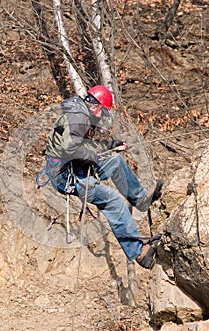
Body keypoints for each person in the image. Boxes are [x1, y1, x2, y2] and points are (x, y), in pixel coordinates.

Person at [45, 85, 163, 269]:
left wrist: (109, 145)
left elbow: (83, 145)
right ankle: (139, 253)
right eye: (104, 112)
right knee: (114, 202)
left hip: (76, 167)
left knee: (115, 161)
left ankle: (140, 199)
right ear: (97, 107)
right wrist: (94, 156)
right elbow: (71, 149)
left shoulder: (80, 113)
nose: (103, 116)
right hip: (65, 176)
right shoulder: (79, 117)